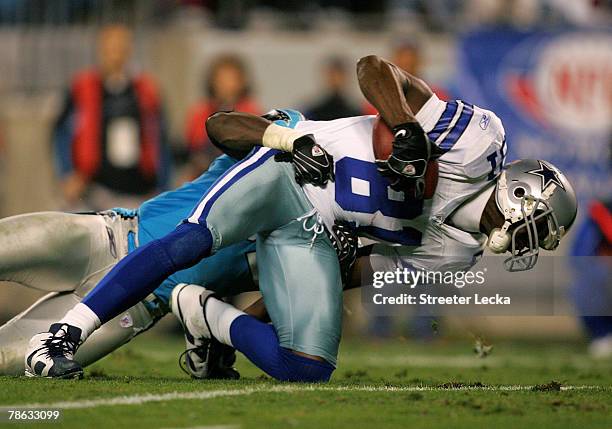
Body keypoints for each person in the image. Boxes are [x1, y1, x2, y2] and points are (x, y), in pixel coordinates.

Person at [26, 55, 577, 383]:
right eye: (541, 223)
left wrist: (242, 325)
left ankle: (206, 317)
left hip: (314, 231)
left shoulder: (459, 254)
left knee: (309, 367)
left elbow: (350, 273)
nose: (536, 239)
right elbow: (374, 69)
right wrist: (406, 128)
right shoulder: (478, 143)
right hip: (295, 170)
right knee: (192, 238)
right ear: (522, 192)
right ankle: (64, 333)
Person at [52, 24, 171, 211]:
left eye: (120, 48)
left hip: (138, 189)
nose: (115, 55)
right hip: (95, 188)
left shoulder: (146, 90)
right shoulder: (82, 88)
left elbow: (161, 138)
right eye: (109, 49)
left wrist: (162, 184)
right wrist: (67, 173)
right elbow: (60, 132)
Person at [184, 54, 261, 179]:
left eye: (231, 79)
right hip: (205, 175)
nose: (225, 84)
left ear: (241, 82)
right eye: (221, 79)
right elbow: (194, 148)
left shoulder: (251, 111)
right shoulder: (200, 112)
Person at [304, 56, 361, 121]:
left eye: (339, 76)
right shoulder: (312, 112)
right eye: (332, 76)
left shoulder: (358, 112)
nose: (335, 80)